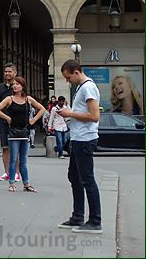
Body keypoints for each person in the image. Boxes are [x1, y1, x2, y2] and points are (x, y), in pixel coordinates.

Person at [57, 59, 102, 234]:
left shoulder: (88, 87)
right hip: (78, 138)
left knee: (87, 179)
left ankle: (95, 220)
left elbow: (94, 116)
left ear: (76, 72)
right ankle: (78, 216)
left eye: (68, 77)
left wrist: (70, 113)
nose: (68, 81)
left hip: (85, 138)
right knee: (75, 177)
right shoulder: (81, 88)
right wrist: (71, 116)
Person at [0, 76, 45, 193]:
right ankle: (11, 183)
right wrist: (7, 118)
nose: (15, 86)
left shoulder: (28, 99)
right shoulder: (9, 99)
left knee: (23, 160)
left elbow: (42, 109)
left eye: (17, 84)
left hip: (24, 131)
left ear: (23, 86)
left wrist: (34, 120)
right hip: (13, 132)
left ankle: (26, 184)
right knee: (13, 158)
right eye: (14, 84)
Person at [0, 63, 20, 182]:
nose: (7, 73)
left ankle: (16, 173)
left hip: (16, 120)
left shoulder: (18, 86)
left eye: (10, 71)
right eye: (5, 71)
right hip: (3, 120)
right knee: (5, 147)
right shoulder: (0, 88)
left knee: (15, 148)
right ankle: (7, 172)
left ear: (15, 73)